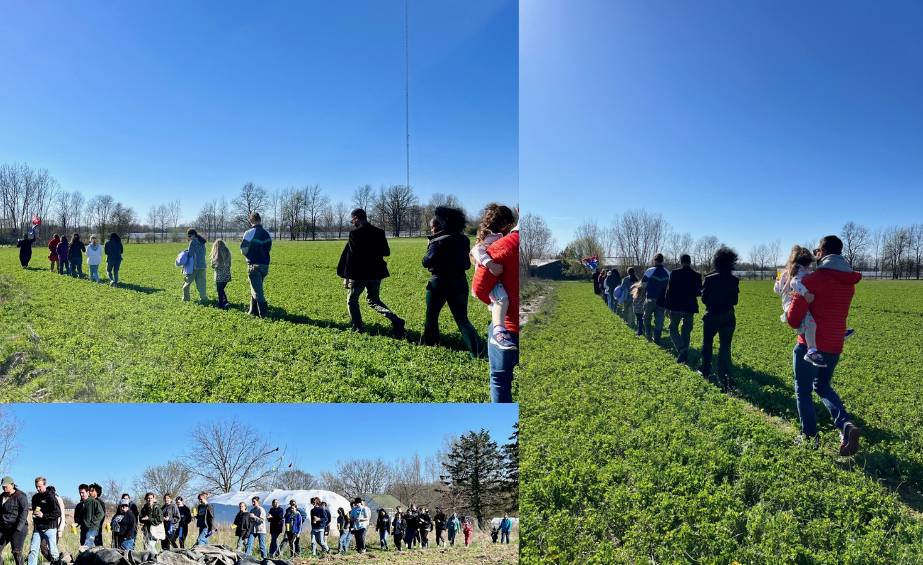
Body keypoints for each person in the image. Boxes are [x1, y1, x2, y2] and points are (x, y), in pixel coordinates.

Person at [786, 235, 863, 455]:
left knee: (803, 391)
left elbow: (793, 320)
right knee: (823, 386)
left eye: (817, 251)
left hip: (810, 347)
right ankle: (845, 425)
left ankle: (809, 437)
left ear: (823, 252)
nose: (816, 255)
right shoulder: (849, 283)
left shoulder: (812, 280)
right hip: (835, 344)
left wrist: (793, 298)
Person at [471, 208, 520, 401]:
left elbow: (478, 289)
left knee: (500, 379)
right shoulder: (495, 239)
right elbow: (476, 250)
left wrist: (492, 304)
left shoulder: (504, 244)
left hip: (510, 326)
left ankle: (499, 331)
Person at [422, 206, 483, 357]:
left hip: (439, 283)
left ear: (439, 225)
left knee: (432, 316)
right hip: (460, 283)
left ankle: (431, 343)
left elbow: (426, 262)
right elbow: (467, 264)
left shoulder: (437, 241)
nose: (432, 229)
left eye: (433, 226)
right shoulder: (463, 239)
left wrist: (429, 247)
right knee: (462, 319)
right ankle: (478, 350)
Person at [336, 208, 405, 337]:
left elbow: (351, 257)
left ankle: (358, 328)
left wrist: (346, 277)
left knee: (352, 300)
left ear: (356, 218)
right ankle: (396, 320)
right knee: (374, 300)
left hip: (359, 274)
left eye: (352, 220)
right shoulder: (379, 232)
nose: (352, 223)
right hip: (376, 273)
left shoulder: (354, 234)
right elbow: (386, 252)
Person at [469, 204, 517, 349]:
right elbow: (476, 250)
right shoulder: (491, 236)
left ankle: (496, 317)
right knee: (502, 299)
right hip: (488, 273)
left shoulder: (498, 235)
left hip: (492, 276)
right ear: (504, 224)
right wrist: (491, 265)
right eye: (509, 224)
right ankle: (499, 331)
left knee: (500, 301)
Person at [698, 246, 740, 392]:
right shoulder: (734, 280)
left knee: (707, 344)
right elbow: (735, 301)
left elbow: (704, 299)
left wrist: (712, 303)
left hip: (712, 315)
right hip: (728, 316)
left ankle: (705, 371)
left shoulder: (709, 279)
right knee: (725, 348)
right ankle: (726, 378)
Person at [663, 254, 702, 364]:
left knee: (672, 328)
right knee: (686, 330)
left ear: (681, 262)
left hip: (676, 307)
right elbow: (698, 293)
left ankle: (682, 349)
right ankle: (684, 352)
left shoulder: (674, 273)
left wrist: (667, 307)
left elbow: (669, 291)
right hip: (690, 307)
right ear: (690, 262)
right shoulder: (697, 275)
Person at [240, 212, 272, 317]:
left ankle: (264, 315)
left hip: (254, 265)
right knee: (255, 287)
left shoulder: (249, 233)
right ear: (260, 220)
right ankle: (252, 311)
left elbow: (243, 249)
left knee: (257, 292)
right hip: (265, 266)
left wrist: (249, 256)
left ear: (251, 220)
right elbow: (268, 248)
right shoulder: (267, 234)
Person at [27, 477, 60, 565]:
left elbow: (57, 513)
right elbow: (35, 511)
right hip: (38, 529)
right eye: (36, 486)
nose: (38, 489)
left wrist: (43, 515)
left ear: (45, 485)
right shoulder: (35, 497)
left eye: (40, 486)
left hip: (50, 528)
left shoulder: (51, 497)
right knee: (33, 550)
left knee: (53, 552)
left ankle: (57, 563)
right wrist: (35, 515)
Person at [640, 253, 670, 343]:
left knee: (646, 317)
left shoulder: (650, 271)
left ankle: (648, 335)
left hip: (650, 299)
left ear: (655, 260)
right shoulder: (667, 272)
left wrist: (643, 295)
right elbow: (669, 288)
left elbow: (643, 284)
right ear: (662, 260)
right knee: (659, 321)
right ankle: (657, 339)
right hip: (662, 301)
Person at [0, 477, 29, 565]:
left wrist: (18, 529)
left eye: (6, 486)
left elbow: (24, 512)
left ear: (12, 485)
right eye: (3, 486)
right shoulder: (1, 496)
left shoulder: (20, 496)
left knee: (16, 552)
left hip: (17, 528)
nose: (4, 488)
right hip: (4, 528)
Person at [183, 229, 208, 303]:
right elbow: (204, 253)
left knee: (187, 284)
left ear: (193, 235)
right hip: (203, 266)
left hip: (194, 267)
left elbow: (190, 254)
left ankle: (186, 299)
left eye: (189, 236)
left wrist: (186, 252)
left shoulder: (193, 242)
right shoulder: (202, 242)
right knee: (202, 284)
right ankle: (204, 298)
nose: (189, 237)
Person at [210, 239, 232, 310]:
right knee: (221, 289)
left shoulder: (217, 252)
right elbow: (230, 264)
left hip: (219, 276)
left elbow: (213, 265)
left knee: (220, 290)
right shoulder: (228, 251)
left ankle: (221, 305)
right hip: (227, 275)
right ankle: (225, 302)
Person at [81, 484, 105, 548]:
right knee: (90, 546)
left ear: (97, 492)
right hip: (87, 528)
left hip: (94, 529)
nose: (90, 492)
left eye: (92, 491)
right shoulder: (85, 502)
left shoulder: (98, 502)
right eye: (90, 491)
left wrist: (93, 522)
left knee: (91, 545)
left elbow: (101, 514)